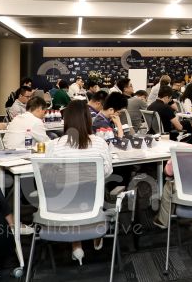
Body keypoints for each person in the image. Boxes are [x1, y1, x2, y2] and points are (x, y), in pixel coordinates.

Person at [47, 100, 112, 264]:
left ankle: (76, 245)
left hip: (65, 204)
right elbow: (107, 171)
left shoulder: (56, 145)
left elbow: (51, 174)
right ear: (88, 119)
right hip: (93, 202)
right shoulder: (99, 143)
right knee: (95, 188)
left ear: (66, 120)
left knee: (70, 192)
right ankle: (96, 230)